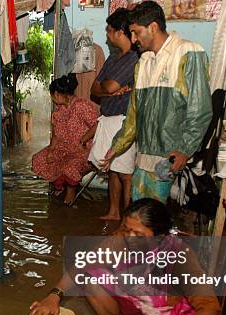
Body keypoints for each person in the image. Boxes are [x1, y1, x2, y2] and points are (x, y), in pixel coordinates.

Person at [29, 198, 220, 315]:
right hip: (141, 314)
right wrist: (54, 295)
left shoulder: (181, 257)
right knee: (91, 281)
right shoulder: (123, 240)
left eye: (138, 234)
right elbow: (85, 261)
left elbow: (211, 310)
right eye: (127, 229)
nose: (129, 238)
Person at [102, 1, 212, 203]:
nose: (133, 39)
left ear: (152, 27)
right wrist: (116, 147)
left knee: (151, 218)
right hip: (144, 155)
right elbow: (134, 114)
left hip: (168, 157)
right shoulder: (143, 62)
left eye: (136, 32)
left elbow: (200, 110)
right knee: (140, 213)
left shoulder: (188, 53)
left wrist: (184, 151)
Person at [90, 8, 139, 221]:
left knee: (125, 173)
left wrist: (108, 89)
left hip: (123, 120)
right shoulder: (113, 58)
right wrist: (107, 89)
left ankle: (128, 218)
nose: (107, 35)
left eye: (110, 31)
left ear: (120, 32)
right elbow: (96, 88)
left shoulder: (134, 58)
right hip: (109, 117)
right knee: (112, 169)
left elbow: (108, 87)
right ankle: (114, 211)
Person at [31, 74, 99, 205]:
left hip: (83, 149)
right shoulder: (58, 111)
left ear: (56, 94)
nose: (52, 98)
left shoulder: (82, 105)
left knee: (70, 167)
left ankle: (70, 195)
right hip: (64, 148)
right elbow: (56, 134)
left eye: (51, 95)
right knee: (40, 159)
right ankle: (59, 186)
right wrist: (51, 150)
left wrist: (83, 140)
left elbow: (97, 125)